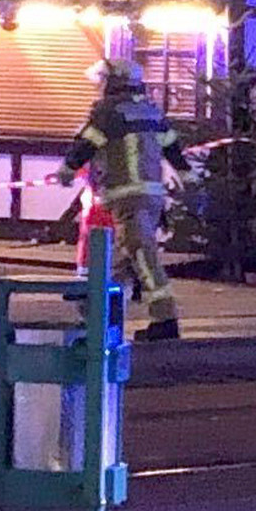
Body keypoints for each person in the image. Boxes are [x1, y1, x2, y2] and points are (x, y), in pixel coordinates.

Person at [61, 57, 193, 341]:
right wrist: (186, 173)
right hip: (151, 198)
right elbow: (172, 146)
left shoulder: (108, 112)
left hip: (126, 197)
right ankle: (98, 319)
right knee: (120, 262)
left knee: (143, 256)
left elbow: (86, 144)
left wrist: (66, 170)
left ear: (113, 82)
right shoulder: (151, 111)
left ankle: (165, 319)